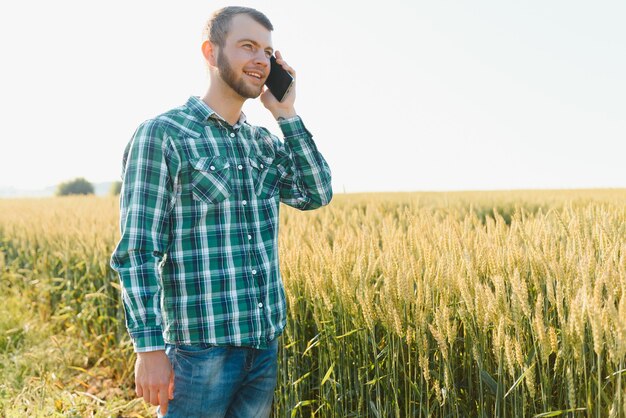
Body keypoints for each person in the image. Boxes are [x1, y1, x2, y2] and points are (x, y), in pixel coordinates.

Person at [110, 6, 332, 417]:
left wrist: (286, 114)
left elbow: (316, 192)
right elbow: (138, 249)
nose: (261, 60)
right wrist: (149, 348)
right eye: (247, 46)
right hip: (200, 353)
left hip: (263, 346)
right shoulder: (164, 134)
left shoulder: (262, 144)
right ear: (211, 53)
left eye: (268, 51)